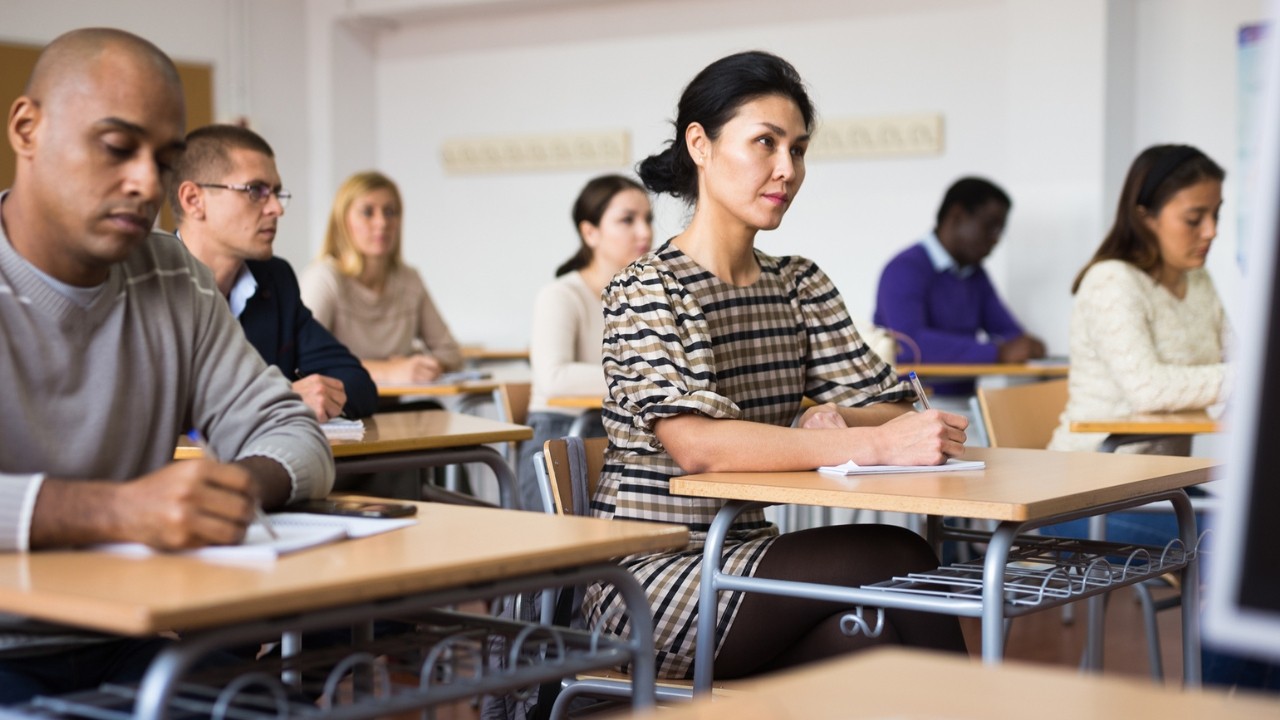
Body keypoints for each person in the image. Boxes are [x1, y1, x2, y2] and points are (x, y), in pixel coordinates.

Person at [585, 50, 969, 681]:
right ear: (700, 146)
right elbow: (699, 447)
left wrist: (832, 413)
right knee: (898, 553)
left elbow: (898, 407)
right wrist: (865, 442)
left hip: (746, 555)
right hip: (650, 583)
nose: (786, 169)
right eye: (765, 143)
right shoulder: (647, 289)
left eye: (798, 149)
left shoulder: (797, 284)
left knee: (868, 643)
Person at [0, 28, 333, 702]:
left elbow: (290, 431)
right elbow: (121, 515)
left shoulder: (172, 273)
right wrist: (115, 512)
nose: (146, 183)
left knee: (277, 702)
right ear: (27, 129)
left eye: (165, 159)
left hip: (128, 635)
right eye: (118, 148)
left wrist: (235, 487)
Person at [172, 124, 377, 421]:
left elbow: (357, 384)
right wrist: (278, 399)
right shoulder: (150, 285)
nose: (276, 209)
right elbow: (150, 413)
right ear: (194, 200)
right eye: (256, 191)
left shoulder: (275, 280)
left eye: (277, 193)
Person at [1048, 144, 1228, 456]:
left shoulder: (1199, 280)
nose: (1212, 231)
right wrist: (1248, 375)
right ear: (1146, 217)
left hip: (1163, 482)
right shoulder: (1111, 281)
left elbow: (1239, 362)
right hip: (1095, 479)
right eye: (1194, 218)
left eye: (1216, 214)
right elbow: (1149, 389)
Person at [516, 175, 653, 511]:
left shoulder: (645, 297)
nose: (645, 232)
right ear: (589, 232)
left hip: (622, 435)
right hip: (560, 439)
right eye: (627, 220)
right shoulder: (561, 294)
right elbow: (553, 377)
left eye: (648, 219)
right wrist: (646, 382)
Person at [873, 177, 1046, 395]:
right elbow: (910, 345)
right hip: (910, 404)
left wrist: (1028, 345)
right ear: (957, 216)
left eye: (1000, 232)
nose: (995, 240)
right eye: (990, 227)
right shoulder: (905, 269)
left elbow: (1010, 334)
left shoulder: (974, 274)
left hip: (963, 402)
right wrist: (996, 353)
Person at [300, 171, 462, 387]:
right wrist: (388, 370)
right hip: (342, 414)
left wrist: (421, 365)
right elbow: (303, 361)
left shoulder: (409, 280)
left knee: (437, 412)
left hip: (397, 410)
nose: (382, 223)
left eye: (390, 212)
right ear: (342, 221)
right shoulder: (324, 279)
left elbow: (451, 353)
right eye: (368, 212)